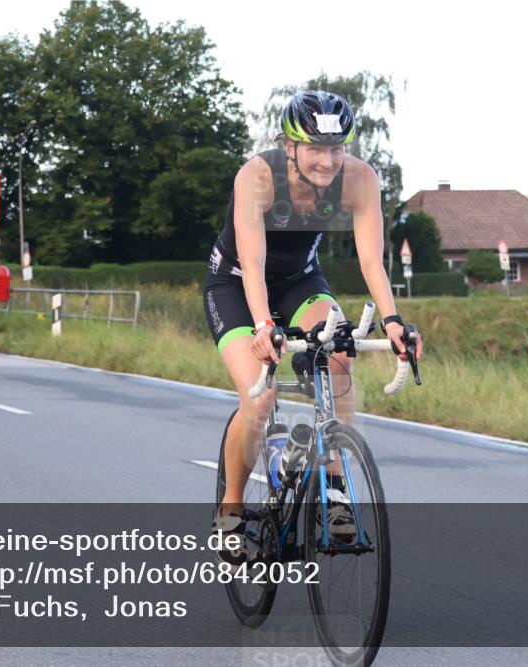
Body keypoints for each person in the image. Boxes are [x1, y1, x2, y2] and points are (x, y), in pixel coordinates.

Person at [203, 91, 424, 566]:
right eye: (315, 149)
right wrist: (264, 326)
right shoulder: (257, 176)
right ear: (290, 146)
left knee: (339, 352)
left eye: (336, 148)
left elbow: (371, 259)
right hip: (237, 284)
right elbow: (253, 262)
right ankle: (231, 509)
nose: (327, 161)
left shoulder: (360, 179)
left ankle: (335, 491)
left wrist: (393, 322)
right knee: (259, 398)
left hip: (301, 282)